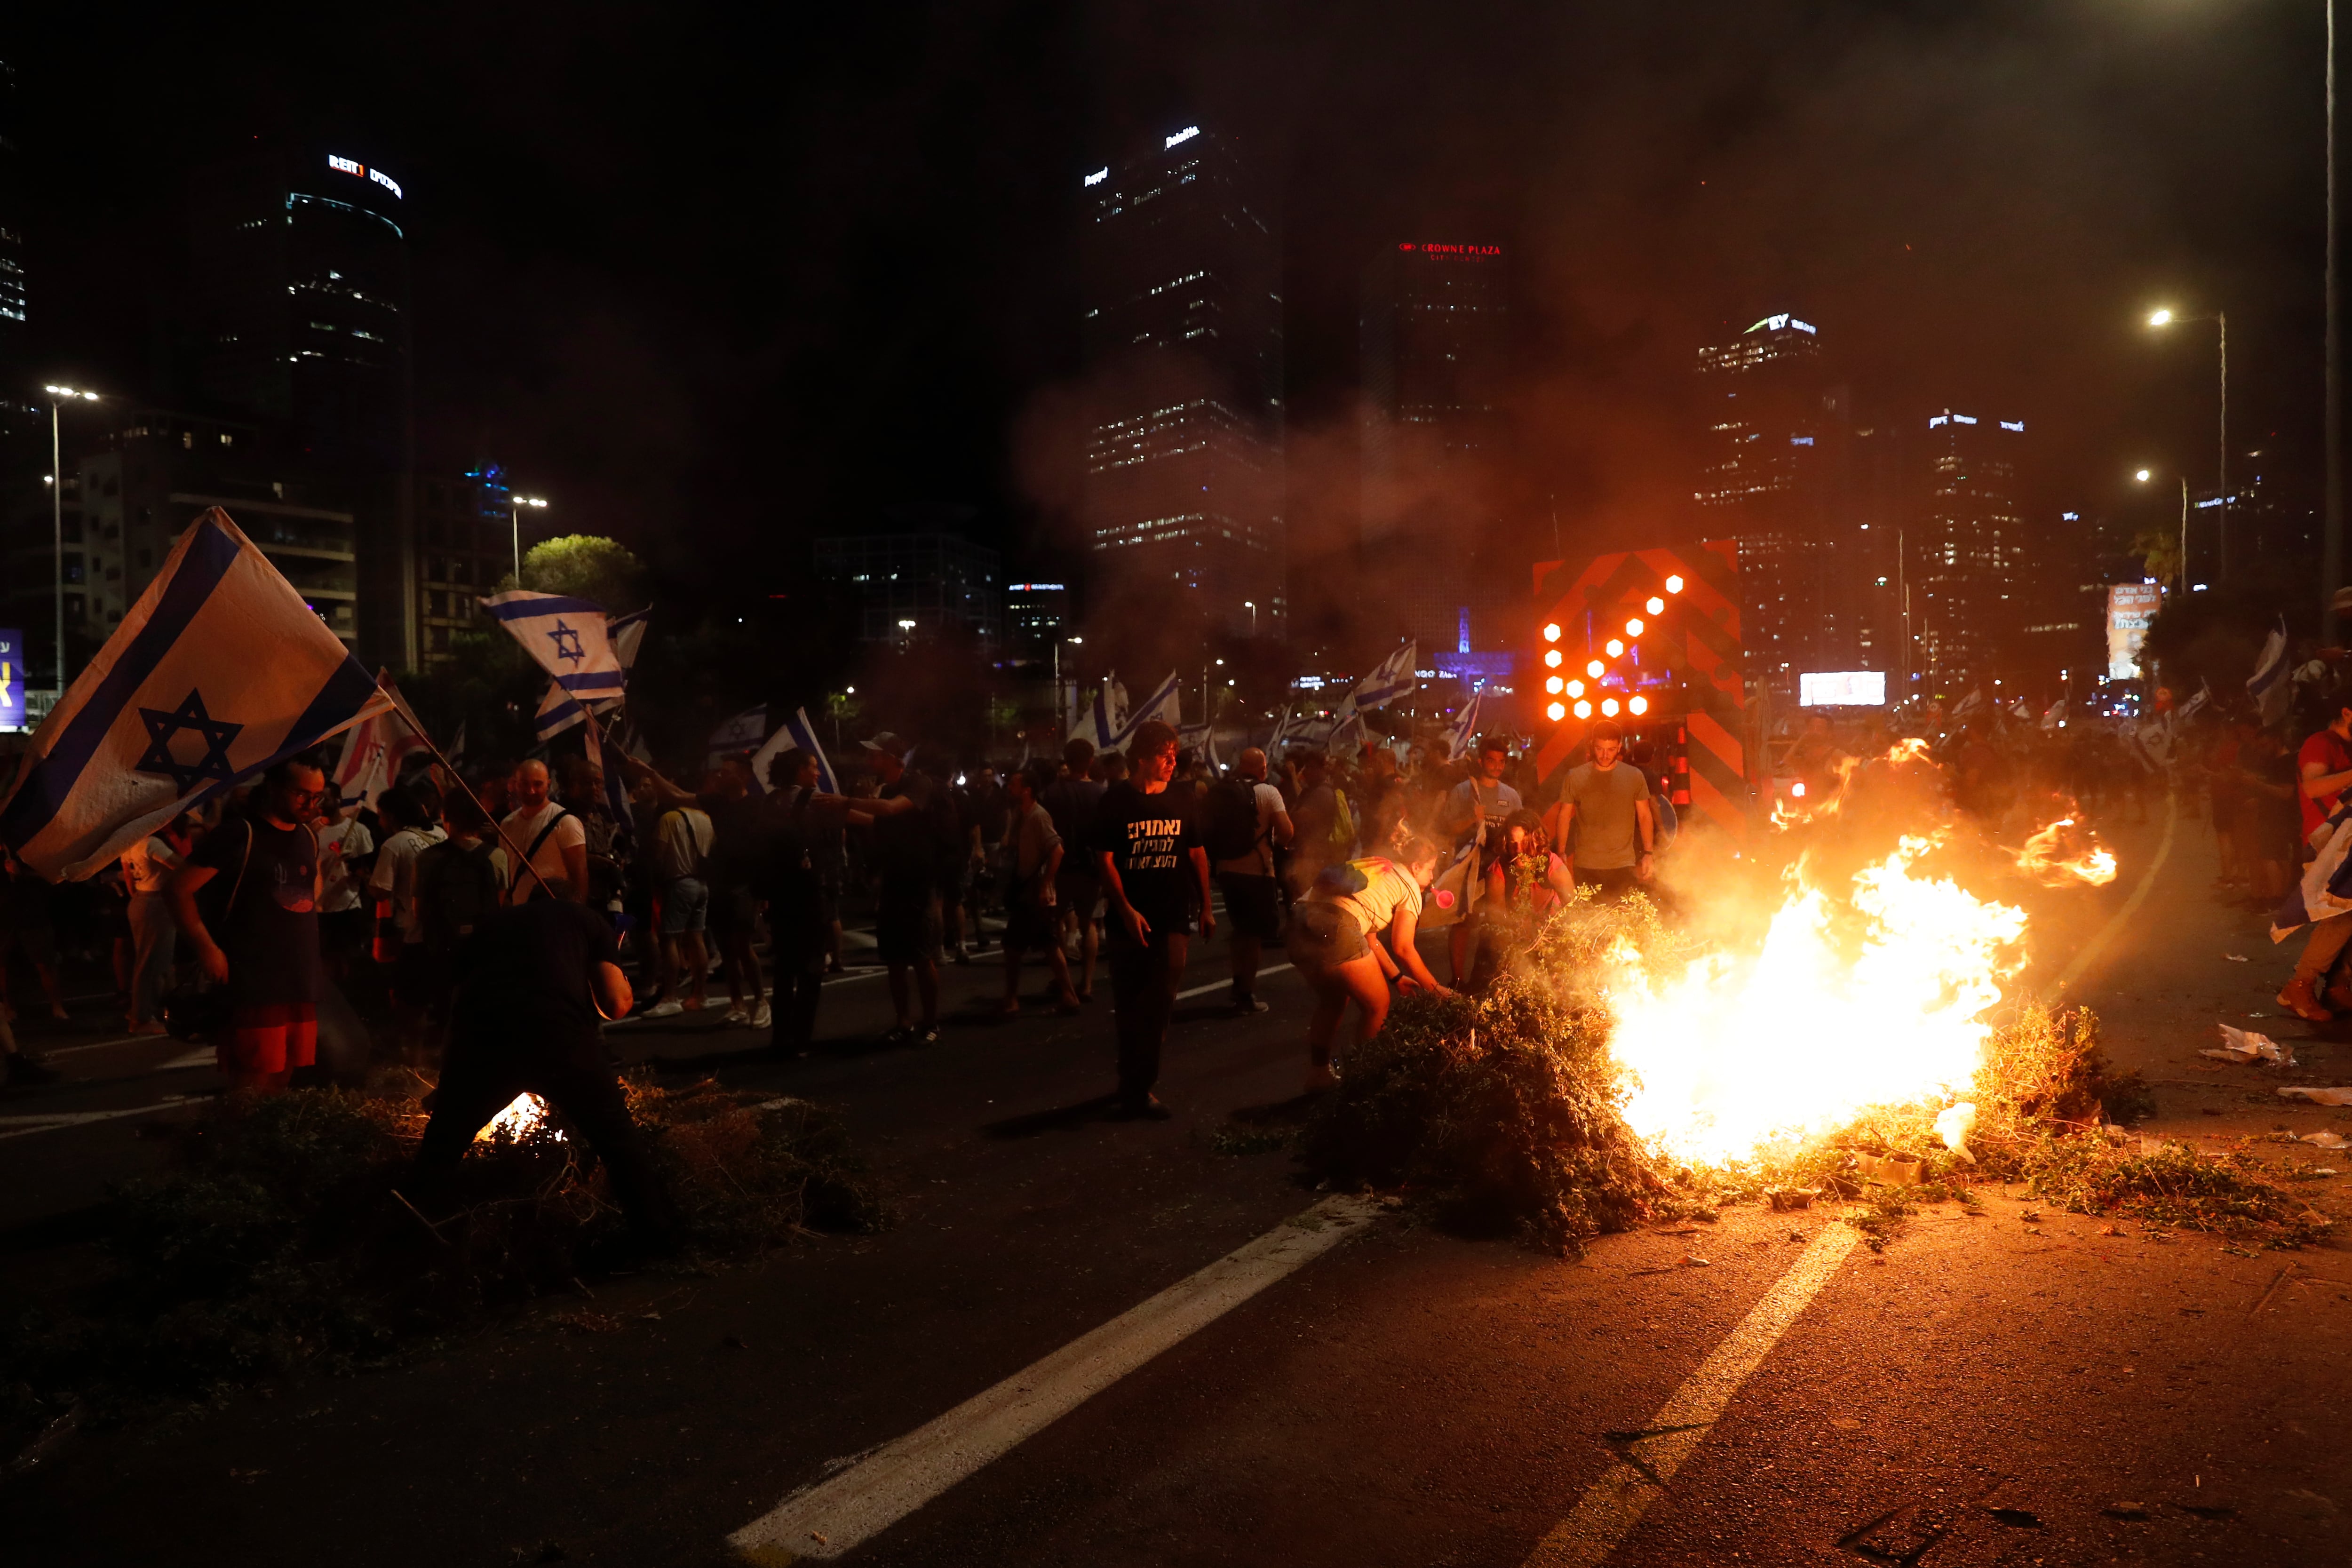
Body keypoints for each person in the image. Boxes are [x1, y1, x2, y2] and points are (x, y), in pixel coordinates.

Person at [405, 897, 682, 1250]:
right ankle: (659, 1238)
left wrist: (450, 1088)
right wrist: (614, 965)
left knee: (439, 1151)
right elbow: (615, 1004)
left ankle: (406, 1240)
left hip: (481, 1039)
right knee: (617, 1139)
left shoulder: (489, 924)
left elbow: (459, 1002)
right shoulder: (588, 919)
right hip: (557, 1036)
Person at [170, 754, 330, 1094]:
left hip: (299, 977)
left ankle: (266, 1144)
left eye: (318, 796)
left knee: (285, 1074)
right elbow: (178, 888)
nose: (311, 803)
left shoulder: (307, 836)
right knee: (253, 1076)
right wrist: (207, 948)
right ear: (273, 787)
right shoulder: (239, 834)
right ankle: (235, 1142)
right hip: (254, 977)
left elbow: (308, 897)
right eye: (301, 794)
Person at [1091, 720, 1213, 1118]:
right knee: (1130, 1002)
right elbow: (1105, 859)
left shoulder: (1183, 797)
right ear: (1142, 758)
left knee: (1161, 999)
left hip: (1172, 916)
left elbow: (1196, 852)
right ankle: (1133, 1079)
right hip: (1128, 920)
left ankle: (1142, 1082)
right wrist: (1125, 909)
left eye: (1175, 753)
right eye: (1165, 754)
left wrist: (1207, 906)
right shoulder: (1115, 801)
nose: (1172, 761)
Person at [1286, 835, 1453, 1092]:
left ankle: (1318, 1074)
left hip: (1299, 921)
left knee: (1333, 1000)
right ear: (1416, 867)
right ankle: (1361, 1085)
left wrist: (1397, 978)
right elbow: (1404, 948)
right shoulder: (1409, 886)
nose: (1432, 878)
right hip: (1338, 926)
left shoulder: (1378, 866)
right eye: (1430, 869)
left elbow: (1369, 938)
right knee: (1378, 1004)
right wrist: (1435, 989)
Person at [621, 752, 769, 1027]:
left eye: (728, 772)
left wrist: (763, 891)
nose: (721, 776)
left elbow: (764, 850)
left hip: (744, 885)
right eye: (720, 772)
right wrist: (649, 772)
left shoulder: (757, 806)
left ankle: (761, 1001)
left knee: (742, 945)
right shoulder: (718, 803)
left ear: (745, 775)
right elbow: (678, 796)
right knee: (726, 949)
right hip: (718, 884)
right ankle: (737, 1004)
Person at [850, 733, 948, 1047]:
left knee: (921, 956)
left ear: (893, 757)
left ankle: (931, 1022)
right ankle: (903, 1022)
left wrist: (848, 802)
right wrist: (831, 808)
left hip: (918, 882)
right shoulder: (886, 789)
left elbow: (890, 810)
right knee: (894, 959)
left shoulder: (919, 784)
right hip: (893, 882)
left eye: (874, 755)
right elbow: (874, 821)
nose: (869, 761)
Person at [412, 790, 510, 1045]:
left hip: (443, 947)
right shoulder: (496, 857)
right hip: (484, 949)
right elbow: (499, 905)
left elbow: (418, 910)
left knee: (447, 1008)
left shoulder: (427, 859)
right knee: (483, 1005)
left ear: (444, 817)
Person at [1205, 746, 1294, 1015]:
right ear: (1263, 768)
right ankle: (1246, 993)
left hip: (1226, 871)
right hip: (1258, 871)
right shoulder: (1268, 792)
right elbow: (1287, 832)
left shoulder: (1221, 791)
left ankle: (1236, 982)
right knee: (1254, 937)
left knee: (1239, 930)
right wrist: (1275, 844)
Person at [2280, 704, 2352, 1019]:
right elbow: (2313, 785)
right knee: (2340, 914)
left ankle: (2336, 987)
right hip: (2325, 843)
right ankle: (2300, 984)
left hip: (2345, 843)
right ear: (2347, 713)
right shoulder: (2321, 743)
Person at [999, 760, 1079, 1016]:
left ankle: (1013, 999)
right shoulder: (1023, 815)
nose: (1009, 786)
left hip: (1034, 895)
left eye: (1015, 783)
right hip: (1028, 892)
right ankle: (1068, 995)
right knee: (1047, 944)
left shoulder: (1038, 815)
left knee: (1014, 948)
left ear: (1027, 790)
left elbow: (1057, 849)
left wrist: (1045, 885)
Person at [1443, 736, 1522, 983]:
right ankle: (1456, 980)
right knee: (1464, 923)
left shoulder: (1512, 796)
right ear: (1481, 761)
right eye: (1492, 760)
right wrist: (1471, 819)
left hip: (1501, 869)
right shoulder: (1464, 790)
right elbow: (1450, 830)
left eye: (1502, 762)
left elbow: (1520, 833)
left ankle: (1493, 979)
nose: (1497, 766)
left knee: (1498, 924)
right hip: (1472, 867)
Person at [1555, 719, 1657, 899]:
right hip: (1586, 864)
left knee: (1622, 921)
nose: (1605, 755)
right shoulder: (1576, 777)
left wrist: (1648, 854)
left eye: (1611, 750)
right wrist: (1561, 853)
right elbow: (1564, 816)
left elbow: (1645, 815)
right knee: (1590, 922)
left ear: (1619, 747)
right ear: (1592, 746)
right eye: (1600, 749)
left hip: (1623, 864)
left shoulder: (1634, 776)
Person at [1041, 738, 1106, 1002]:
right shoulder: (1101, 794)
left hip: (1061, 866)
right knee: (1089, 921)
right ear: (1090, 761)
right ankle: (1087, 983)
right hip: (1090, 868)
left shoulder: (1052, 793)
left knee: (1056, 921)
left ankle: (1062, 978)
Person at [640, 788, 715, 1019]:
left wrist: (655, 880)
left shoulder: (669, 819)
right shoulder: (705, 818)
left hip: (679, 883)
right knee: (696, 937)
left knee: (669, 939)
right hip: (702, 884)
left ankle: (670, 997)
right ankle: (700, 994)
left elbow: (659, 855)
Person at [120, 815, 193, 1034]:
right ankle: (141, 1019)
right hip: (155, 902)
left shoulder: (128, 843)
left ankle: (142, 1010)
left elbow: (128, 879)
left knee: (148, 962)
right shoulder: (151, 843)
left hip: (140, 901)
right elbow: (181, 867)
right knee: (152, 965)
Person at [0, 847, 71, 1025]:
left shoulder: (28, 848)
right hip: (4, 916)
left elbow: (53, 878)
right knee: (4, 965)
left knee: (45, 962)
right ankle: (9, 1008)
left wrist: (22, 873)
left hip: (32, 913)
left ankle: (57, 1006)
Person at [501, 759, 587, 903]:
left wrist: (577, 916)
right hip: (520, 913)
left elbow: (580, 875)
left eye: (537, 784)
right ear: (516, 784)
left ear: (548, 784)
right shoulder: (507, 824)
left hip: (555, 912)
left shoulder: (566, 822)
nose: (531, 790)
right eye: (525, 784)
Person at [314, 804, 374, 982]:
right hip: (319, 905)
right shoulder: (312, 828)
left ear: (338, 799)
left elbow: (369, 868)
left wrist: (354, 865)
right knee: (324, 960)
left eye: (326, 799)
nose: (321, 803)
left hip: (348, 904)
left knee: (350, 958)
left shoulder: (358, 830)